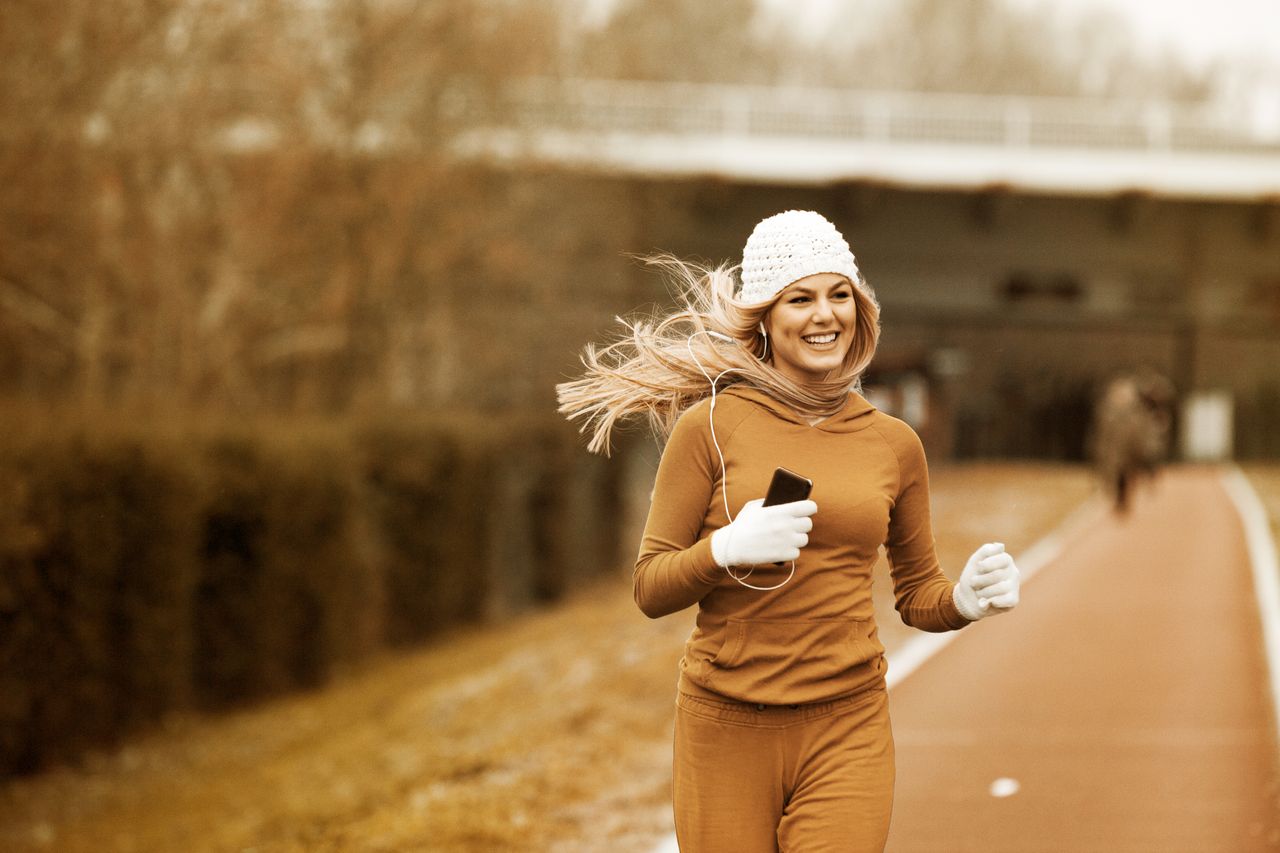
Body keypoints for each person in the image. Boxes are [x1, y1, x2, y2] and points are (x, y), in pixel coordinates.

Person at [557, 210, 1021, 852]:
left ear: (862, 311)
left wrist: (963, 601)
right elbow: (650, 587)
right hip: (725, 725)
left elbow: (917, 594)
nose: (824, 315)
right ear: (766, 318)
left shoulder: (893, 444)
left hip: (847, 722)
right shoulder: (710, 426)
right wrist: (724, 550)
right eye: (800, 298)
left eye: (840, 296)